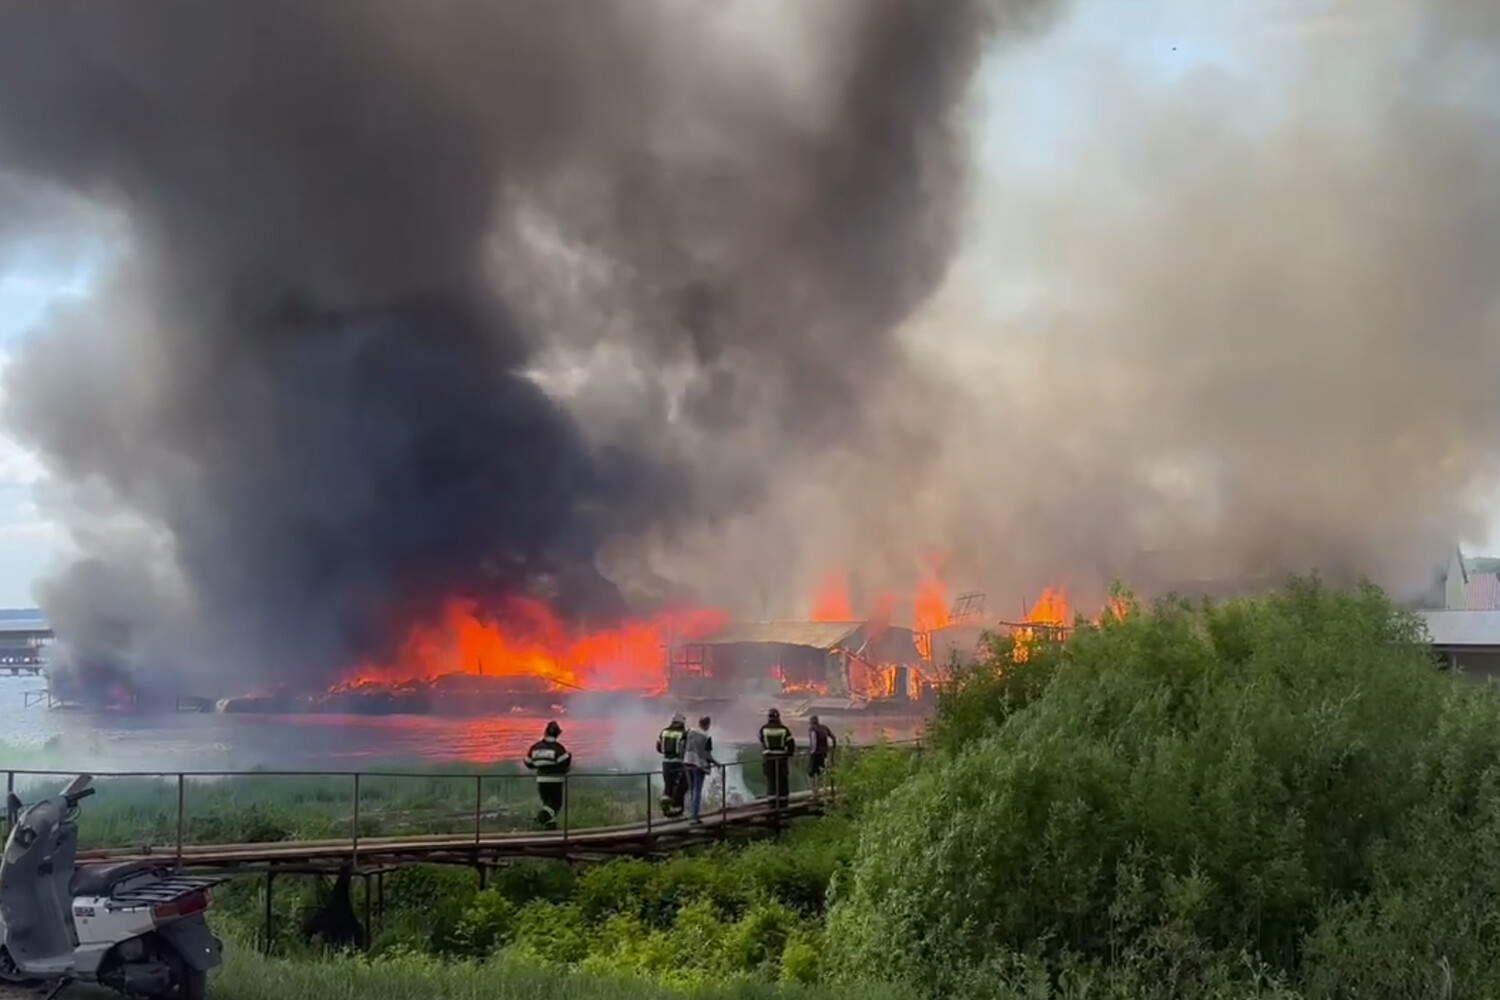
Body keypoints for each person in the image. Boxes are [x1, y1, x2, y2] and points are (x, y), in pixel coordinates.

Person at [523, 720, 572, 830]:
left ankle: (550, 827)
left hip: (541, 780)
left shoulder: (535, 747)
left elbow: (528, 762)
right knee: (555, 805)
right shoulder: (559, 748)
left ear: (545, 732)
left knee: (547, 804)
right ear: (557, 734)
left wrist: (540, 765)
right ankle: (541, 818)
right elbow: (564, 764)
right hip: (556, 781)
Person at [683, 715, 718, 825]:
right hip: (699, 765)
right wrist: (716, 763)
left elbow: (683, 744)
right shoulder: (706, 737)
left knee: (691, 789)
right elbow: (707, 755)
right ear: (707, 724)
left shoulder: (690, 732)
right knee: (697, 790)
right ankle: (695, 816)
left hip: (688, 762)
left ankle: (688, 813)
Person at [759, 708, 795, 811]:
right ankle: (783, 804)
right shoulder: (784, 729)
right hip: (782, 759)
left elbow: (761, 740)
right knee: (782, 781)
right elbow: (791, 744)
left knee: (771, 781)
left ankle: (772, 804)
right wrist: (789, 754)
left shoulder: (763, 729)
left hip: (768, 759)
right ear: (778, 717)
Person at [656, 712, 689, 818]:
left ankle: (666, 810)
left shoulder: (664, 732)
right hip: (678, 763)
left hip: (666, 762)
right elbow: (686, 748)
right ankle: (678, 809)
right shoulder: (684, 734)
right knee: (682, 785)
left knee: (668, 785)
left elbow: (658, 747)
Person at [807, 714, 836, 795]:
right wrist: (834, 747)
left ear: (811, 722)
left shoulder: (812, 729)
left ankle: (814, 791)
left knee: (810, 773)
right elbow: (833, 737)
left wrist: (812, 751)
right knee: (821, 771)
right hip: (824, 753)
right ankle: (823, 789)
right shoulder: (824, 728)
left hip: (815, 753)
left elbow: (814, 742)